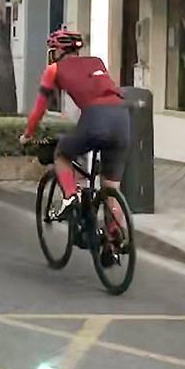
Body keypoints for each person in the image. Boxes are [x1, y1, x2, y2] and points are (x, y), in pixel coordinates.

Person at [20, 29, 130, 232]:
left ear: (59, 51)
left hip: (95, 117)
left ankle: (70, 197)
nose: (52, 54)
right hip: (123, 117)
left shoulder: (54, 70)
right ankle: (115, 239)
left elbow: (39, 109)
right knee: (111, 187)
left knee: (61, 153)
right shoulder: (96, 62)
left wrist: (28, 134)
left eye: (53, 50)